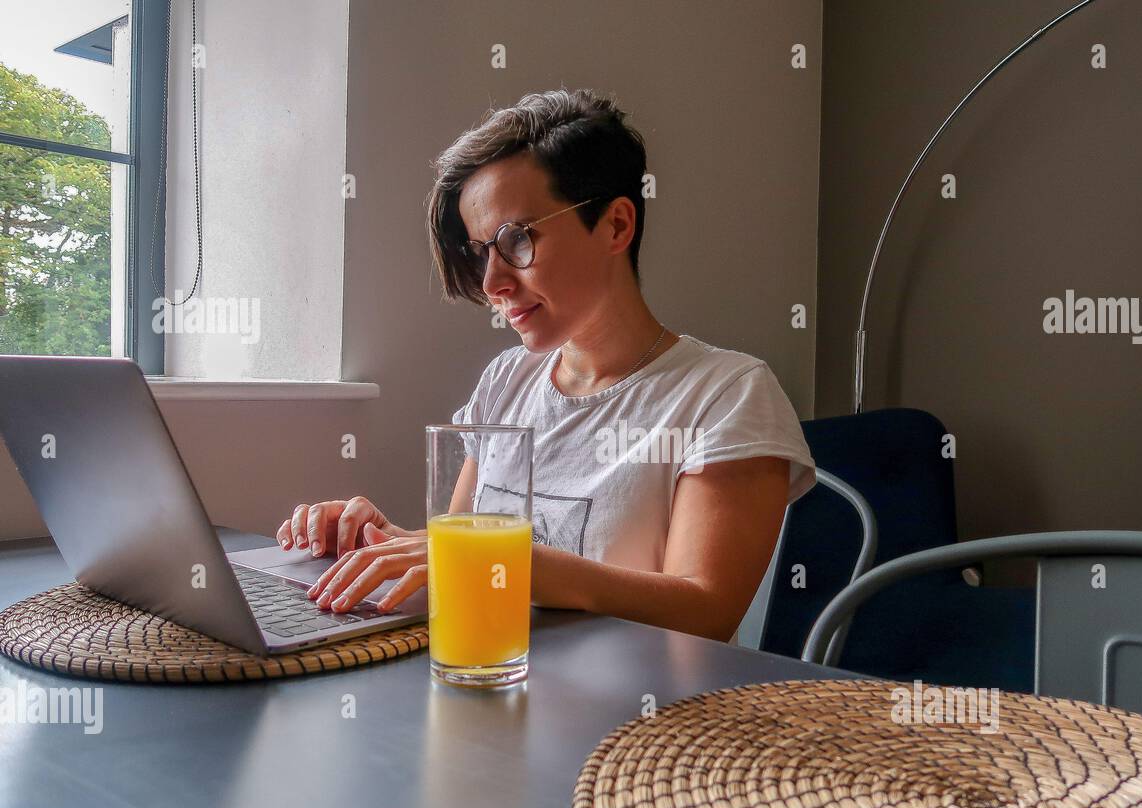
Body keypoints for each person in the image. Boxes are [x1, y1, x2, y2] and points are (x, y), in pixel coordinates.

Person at [278, 88, 815, 643]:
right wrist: (381, 543)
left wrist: (517, 562)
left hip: (638, 719)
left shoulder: (726, 395)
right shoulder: (507, 380)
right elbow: (463, 555)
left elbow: (705, 610)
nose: (492, 284)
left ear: (615, 226)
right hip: (490, 679)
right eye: (481, 250)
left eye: (517, 240)